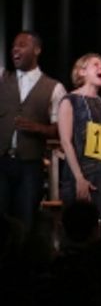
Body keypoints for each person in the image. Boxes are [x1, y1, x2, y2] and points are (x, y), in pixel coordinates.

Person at [0, 31, 67, 228]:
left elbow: (60, 130)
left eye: (22, 45)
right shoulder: (2, 78)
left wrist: (38, 128)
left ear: (36, 50)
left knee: (26, 221)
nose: (15, 49)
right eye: (14, 46)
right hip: (2, 162)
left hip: (30, 166)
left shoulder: (54, 87)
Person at [57, 54, 101, 239]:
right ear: (82, 71)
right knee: (81, 227)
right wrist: (79, 178)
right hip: (82, 173)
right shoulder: (70, 101)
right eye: (96, 64)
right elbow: (66, 141)